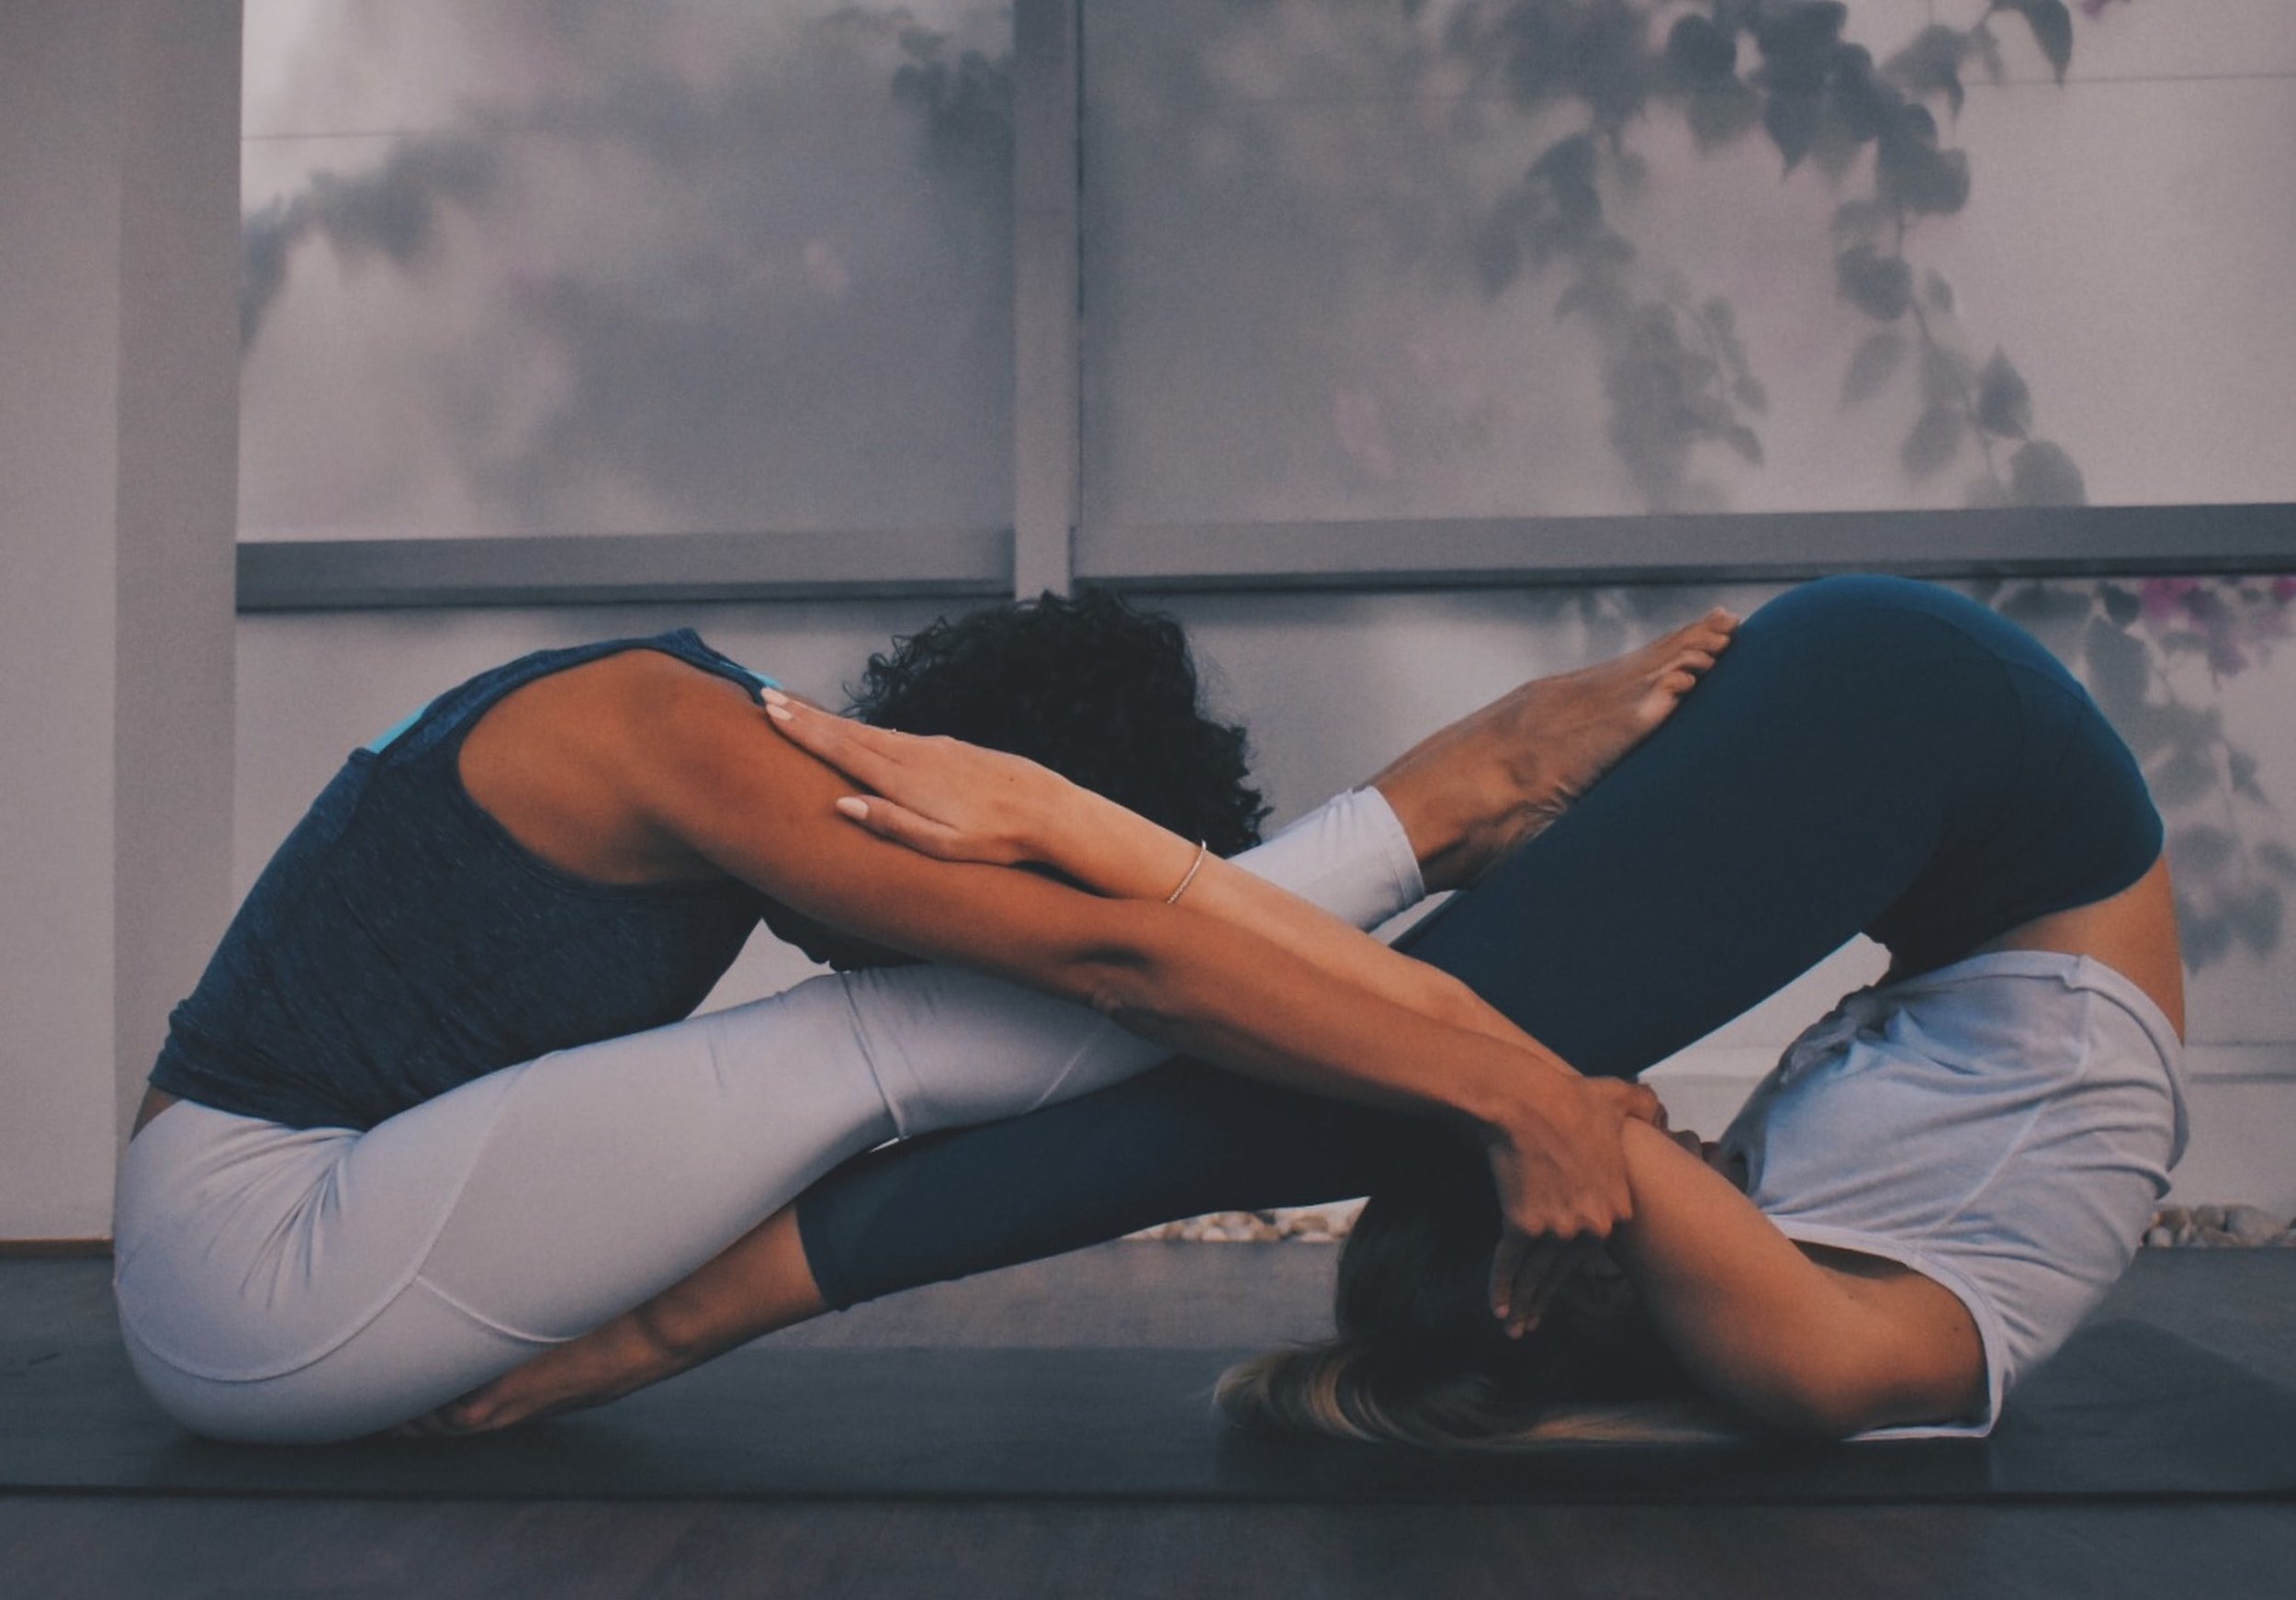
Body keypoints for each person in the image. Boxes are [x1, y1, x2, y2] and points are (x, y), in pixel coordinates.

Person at [412, 575, 2180, 1444]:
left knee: (1374, 1065)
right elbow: (1618, 1163)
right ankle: (673, 1312)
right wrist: (1559, 1128)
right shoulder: (1847, 1366)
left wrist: (1569, 1128)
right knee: (1307, 1094)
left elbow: (1630, 1157)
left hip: (1952, 781)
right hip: (1954, 749)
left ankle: (1382, 800)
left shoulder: (1807, 1293)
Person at [115, 590, 1729, 1443]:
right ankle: (1442, 803)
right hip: (251, 1266)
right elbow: (1121, 963)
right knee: (890, 1042)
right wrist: (1510, 1069)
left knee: (938, 1027)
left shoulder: (684, 715)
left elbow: (1113, 957)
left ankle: (1428, 821)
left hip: (322, 1233)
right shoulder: (686, 738)